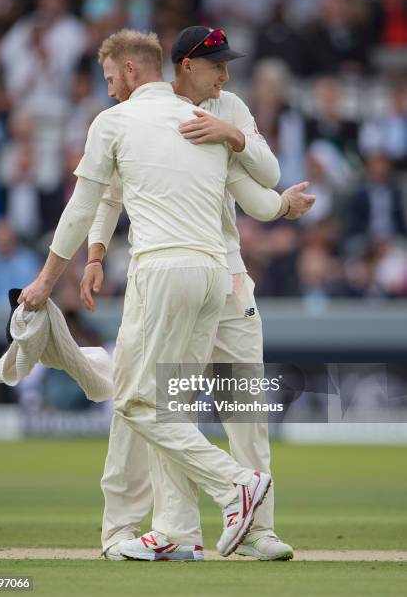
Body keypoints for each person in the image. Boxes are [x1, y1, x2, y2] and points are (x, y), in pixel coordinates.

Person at [18, 28, 314, 561]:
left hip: (209, 277)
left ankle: (248, 520)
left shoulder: (218, 111)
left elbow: (262, 182)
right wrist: (96, 254)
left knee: (208, 405)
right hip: (195, 272)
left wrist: (237, 139)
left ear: (132, 71)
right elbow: (110, 194)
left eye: (225, 66)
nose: (224, 75)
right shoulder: (157, 117)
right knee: (164, 401)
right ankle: (175, 528)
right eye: (215, 65)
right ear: (181, 66)